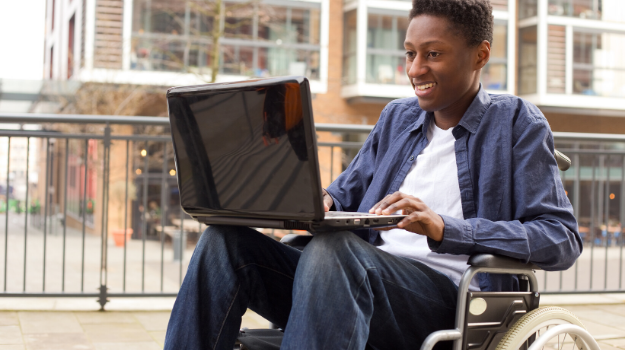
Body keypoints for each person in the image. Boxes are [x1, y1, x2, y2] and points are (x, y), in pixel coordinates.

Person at [164, 0, 582, 349]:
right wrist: (316, 201)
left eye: (433, 54)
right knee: (224, 243)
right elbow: (344, 193)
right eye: (410, 53)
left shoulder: (516, 123)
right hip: (345, 283)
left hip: (446, 301)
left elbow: (561, 238)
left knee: (336, 252)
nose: (416, 68)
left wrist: (445, 229)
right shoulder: (397, 119)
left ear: (480, 55)